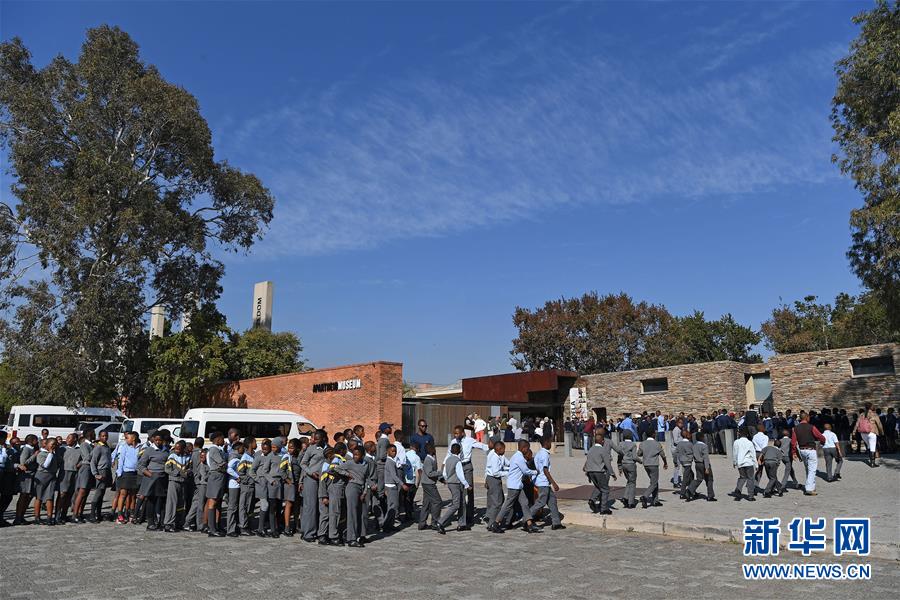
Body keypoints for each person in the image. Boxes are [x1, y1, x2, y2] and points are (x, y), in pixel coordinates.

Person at [490, 440, 539, 534]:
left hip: (518, 485)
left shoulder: (516, 456)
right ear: (523, 448)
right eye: (527, 448)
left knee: (524, 503)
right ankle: (495, 523)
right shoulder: (518, 457)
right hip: (514, 486)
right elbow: (525, 471)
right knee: (507, 505)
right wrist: (536, 472)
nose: (528, 450)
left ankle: (529, 524)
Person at [449, 424, 490, 526]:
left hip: (467, 466)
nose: (455, 435)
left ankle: (470, 516)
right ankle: (461, 516)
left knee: (469, 491)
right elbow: (448, 455)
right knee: (460, 492)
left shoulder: (469, 440)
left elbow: (480, 445)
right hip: (457, 466)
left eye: (457, 433)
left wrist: (490, 447)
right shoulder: (453, 442)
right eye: (454, 433)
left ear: (462, 433)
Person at [333, 445, 369, 547]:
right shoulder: (349, 463)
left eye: (357, 455)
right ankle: (351, 539)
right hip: (352, 488)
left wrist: (365, 492)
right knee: (351, 513)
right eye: (354, 455)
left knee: (360, 514)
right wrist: (347, 474)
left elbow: (366, 479)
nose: (355, 457)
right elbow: (336, 469)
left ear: (362, 455)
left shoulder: (366, 464)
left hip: (361, 489)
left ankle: (357, 535)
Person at [530, 435, 564, 530]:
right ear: (546, 443)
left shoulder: (539, 453)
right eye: (550, 442)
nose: (551, 444)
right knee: (541, 502)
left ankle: (556, 523)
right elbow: (545, 470)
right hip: (543, 482)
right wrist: (554, 483)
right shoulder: (544, 454)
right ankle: (527, 518)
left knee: (552, 502)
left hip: (543, 482)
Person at [300, 429, 327, 542]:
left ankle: (317, 531)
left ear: (324, 438)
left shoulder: (329, 449)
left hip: (323, 481)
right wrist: (310, 472)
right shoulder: (311, 449)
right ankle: (308, 533)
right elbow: (303, 463)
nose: (315, 440)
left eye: (317, 438)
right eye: (314, 438)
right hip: (311, 480)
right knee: (310, 507)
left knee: (320, 507)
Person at [435, 442, 468, 534]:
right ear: (459, 451)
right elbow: (460, 475)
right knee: (456, 505)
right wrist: (467, 485)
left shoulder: (448, 459)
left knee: (462, 503)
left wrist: (446, 480)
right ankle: (441, 522)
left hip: (450, 482)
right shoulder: (457, 461)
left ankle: (462, 524)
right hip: (456, 483)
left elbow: (444, 473)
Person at [163, 439, 191, 532]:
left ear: (183, 448)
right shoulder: (172, 456)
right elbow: (167, 469)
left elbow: (189, 468)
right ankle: (168, 523)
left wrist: (188, 472)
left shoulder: (188, 457)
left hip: (183, 482)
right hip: (173, 481)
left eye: (179, 449)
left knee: (181, 503)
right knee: (172, 503)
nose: (177, 450)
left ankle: (179, 522)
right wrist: (178, 473)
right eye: (176, 448)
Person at [112, 431, 139, 524]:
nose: (126, 440)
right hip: (125, 473)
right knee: (123, 494)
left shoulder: (139, 448)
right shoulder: (124, 447)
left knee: (133, 495)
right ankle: (119, 514)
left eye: (128, 438)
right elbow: (121, 460)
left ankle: (131, 514)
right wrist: (119, 473)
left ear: (133, 438)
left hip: (135, 473)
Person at [204, 431, 227, 537]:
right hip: (216, 476)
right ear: (218, 439)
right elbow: (222, 463)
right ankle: (211, 529)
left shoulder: (218, 449)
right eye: (222, 438)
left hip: (218, 476)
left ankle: (215, 526)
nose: (224, 440)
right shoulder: (214, 450)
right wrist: (224, 464)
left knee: (217, 501)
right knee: (212, 502)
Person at [637, 430, 667, 508]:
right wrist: (665, 463)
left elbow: (639, 454)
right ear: (653, 434)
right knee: (654, 483)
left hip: (646, 465)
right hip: (654, 464)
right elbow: (663, 455)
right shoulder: (657, 444)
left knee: (654, 482)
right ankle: (645, 496)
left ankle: (655, 500)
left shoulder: (642, 444)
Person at [33, 437, 59, 525]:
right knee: (39, 497)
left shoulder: (55, 454)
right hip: (42, 476)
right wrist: (50, 454)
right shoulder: (41, 454)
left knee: (50, 497)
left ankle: (49, 517)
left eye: (55, 444)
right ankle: (37, 517)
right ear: (47, 444)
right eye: (52, 444)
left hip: (51, 476)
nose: (54, 446)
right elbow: (45, 465)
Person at [70, 430, 95, 523]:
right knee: (82, 491)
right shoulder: (84, 445)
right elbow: (87, 457)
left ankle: (80, 512)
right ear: (90, 434)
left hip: (91, 469)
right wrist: (95, 450)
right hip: (85, 468)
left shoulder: (91, 445)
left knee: (86, 492)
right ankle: (75, 514)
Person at [88, 429, 112, 522]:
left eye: (106, 436)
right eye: (102, 436)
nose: (105, 437)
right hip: (100, 471)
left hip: (107, 471)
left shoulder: (106, 446)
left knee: (102, 494)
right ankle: (92, 515)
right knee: (98, 493)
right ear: (99, 437)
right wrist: (95, 474)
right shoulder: (98, 447)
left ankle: (98, 514)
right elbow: (93, 461)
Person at [418, 442, 442, 530]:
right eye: (433, 448)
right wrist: (441, 473)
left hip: (427, 483)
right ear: (431, 450)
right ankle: (434, 522)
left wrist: (441, 479)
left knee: (426, 503)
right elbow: (430, 473)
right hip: (429, 484)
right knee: (437, 501)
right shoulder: (428, 460)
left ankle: (422, 523)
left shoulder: (432, 458)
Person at [483, 440, 509, 525]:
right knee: (496, 503)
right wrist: (508, 473)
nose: (504, 451)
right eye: (503, 449)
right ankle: (492, 523)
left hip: (496, 480)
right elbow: (496, 472)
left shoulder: (499, 456)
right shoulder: (494, 457)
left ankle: (496, 519)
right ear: (499, 449)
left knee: (500, 499)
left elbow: (505, 465)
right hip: (493, 480)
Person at [852, 403, 884, 468]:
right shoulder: (874, 414)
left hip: (863, 433)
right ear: (870, 407)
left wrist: (854, 431)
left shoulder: (861, 414)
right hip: (872, 432)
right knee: (872, 447)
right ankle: (872, 463)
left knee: (869, 446)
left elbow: (857, 423)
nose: (873, 407)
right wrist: (881, 432)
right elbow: (879, 424)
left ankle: (871, 460)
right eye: (873, 406)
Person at [613, 430, 638, 508]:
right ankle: (631, 502)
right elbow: (634, 457)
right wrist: (640, 461)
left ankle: (625, 497)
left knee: (629, 481)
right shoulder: (633, 445)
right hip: (631, 464)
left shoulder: (620, 444)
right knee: (633, 482)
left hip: (624, 464)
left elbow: (619, 457)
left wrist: (619, 467)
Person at [688, 432, 716, 502]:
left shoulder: (694, 446)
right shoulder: (704, 446)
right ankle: (710, 496)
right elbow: (705, 458)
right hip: (704, 464)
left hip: (697, 464)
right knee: (709, 479)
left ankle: (690, 489)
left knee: (699, 479)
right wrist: (707, 468)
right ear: (702, 438)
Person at [237, 437, 256, 536]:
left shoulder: (253, 456)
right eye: (255, 442)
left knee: (249, 507)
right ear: (250, 444)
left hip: (251, 486)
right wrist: (250, 480)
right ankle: (243, 527)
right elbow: (240, 472)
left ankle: (248, 525)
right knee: (244, 506)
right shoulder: (245, 457)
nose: (256, 444)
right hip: (247, 486)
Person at [731, 428, 757, 501]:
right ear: (747, 434)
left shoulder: (736, 442)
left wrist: (734, 462)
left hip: (740, 463)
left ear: (739, 434)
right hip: (748, 462)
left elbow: (734, 453)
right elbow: (753, 454)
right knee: (750, 479)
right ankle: (750, 496)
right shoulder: (749, 442)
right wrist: (756, 464)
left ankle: (738, 491)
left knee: (742, 477)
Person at [402, 441, 422, 522]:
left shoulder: (405, 454)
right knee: (410, 498)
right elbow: (418, 470)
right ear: (417, 449)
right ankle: (409, 514)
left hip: (404, 479)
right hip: (412, 480)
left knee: (405, 498)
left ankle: (407, 513)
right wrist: (417, 483)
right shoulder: (417, 457)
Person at [674, 429, 694, 499]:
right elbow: (692, 452)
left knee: (691, 475)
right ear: (686, 435)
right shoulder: (689, 444)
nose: (690, 434)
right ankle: (682, 493)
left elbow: (675, 453)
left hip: (682, 461)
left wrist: (675, 461)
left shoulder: (679, 443)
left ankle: (692, 490)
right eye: (688, 433)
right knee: (686, 477)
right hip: (687, 462)